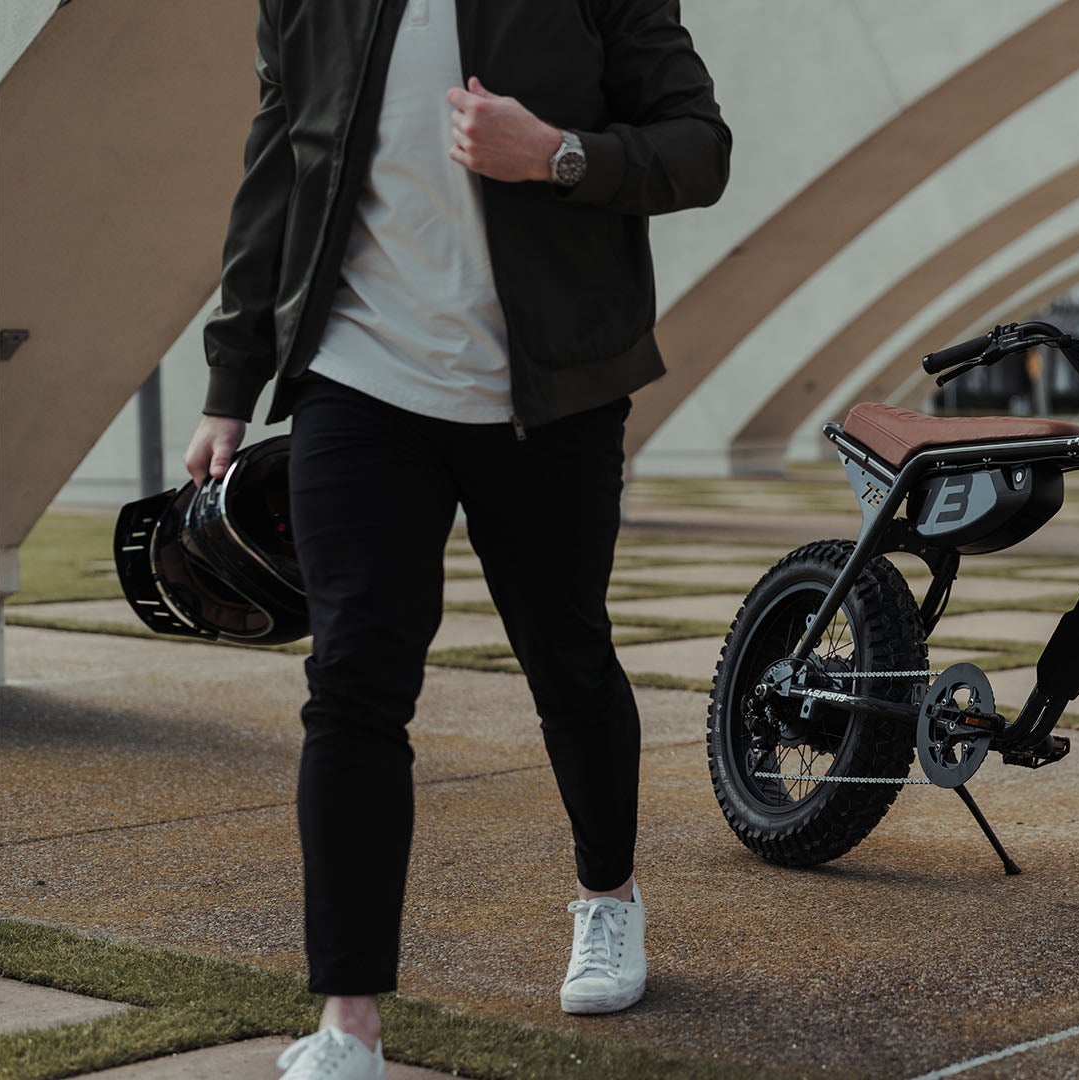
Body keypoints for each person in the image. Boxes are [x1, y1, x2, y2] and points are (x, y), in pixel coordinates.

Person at [183, 2, 729, 1077]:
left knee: (566, 657)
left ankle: (608, 897)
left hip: (552, 392)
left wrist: (558, 155)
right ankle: (349, 1023)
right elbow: (279, 172)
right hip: (360, 381)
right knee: (351, 680)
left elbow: (697, 149)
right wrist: (230, 380)